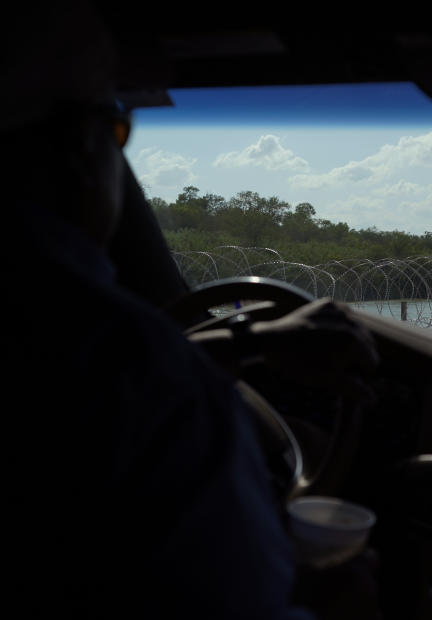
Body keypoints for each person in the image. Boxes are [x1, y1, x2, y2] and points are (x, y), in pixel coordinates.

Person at [2, 4, 377, 618]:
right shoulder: (145, 379)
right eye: (118, 127)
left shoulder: (107, 361)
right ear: (80, 144)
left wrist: (244, 344)